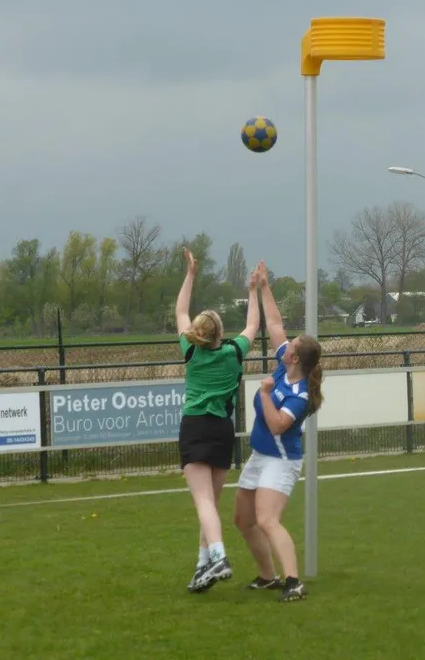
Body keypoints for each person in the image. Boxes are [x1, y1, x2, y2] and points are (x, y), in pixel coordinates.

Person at [233, 262, 324, 602]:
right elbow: (273, 323)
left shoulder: (298, 395)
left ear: (296, 359)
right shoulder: (285, 368)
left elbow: (277, 425)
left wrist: (265, 393)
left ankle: (294, 582)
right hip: (261, 456)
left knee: (268, 520)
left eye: (292, 345)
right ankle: (267, 576)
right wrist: (263, 286)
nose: (286, 345)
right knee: (243, 520)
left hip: (281, 461)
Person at [176, 248, 259, 594]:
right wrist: (252, 290)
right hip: (223, 430)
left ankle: (219, 557)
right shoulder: (234, 352)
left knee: (203, 502)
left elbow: (180, 311)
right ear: (220, 333)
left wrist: (191, 274)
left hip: (196, 426)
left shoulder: (190, 352)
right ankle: (202, 566)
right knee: (210, 502)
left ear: (198, 333)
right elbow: (253, 325)